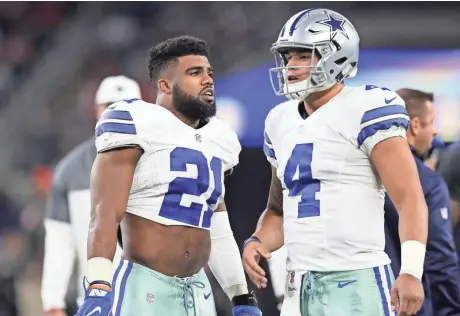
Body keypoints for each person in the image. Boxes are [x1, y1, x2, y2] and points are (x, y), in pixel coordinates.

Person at [241, 8, 428, 316]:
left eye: (303, 56)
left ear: (337, 56)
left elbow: (409, 197)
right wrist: (258, 240)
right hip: (298, 282)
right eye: (288, 57)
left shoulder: (366, 106)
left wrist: (411, 270)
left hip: (356, 277)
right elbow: (278, 209)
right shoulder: (279, 120)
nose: (291, 65)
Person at [75, 36, 261, 316]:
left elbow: (218, 226)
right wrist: (99, 284)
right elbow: (104, 213)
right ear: (164, 84)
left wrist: (241, 296)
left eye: (209, 72)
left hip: (199, 289)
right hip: (145, 286)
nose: (208, 80)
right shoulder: (134, 120)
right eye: (194, 72)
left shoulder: (219, 137)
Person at [41, 75, 141, 316]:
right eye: (109, 106)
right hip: (96, 301)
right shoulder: (71, 170)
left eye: (126, 106)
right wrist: (52, 301)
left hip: (151, 301)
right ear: (96, 110)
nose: (117, 113)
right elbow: (59, 242)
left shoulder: (161, 161)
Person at [384, 89, 460, 315]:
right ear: (415, 126)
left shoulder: (355, 176)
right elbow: (439, 260)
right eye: (431, 123)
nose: (436, 131)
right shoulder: (427, 182)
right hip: (410, 306)